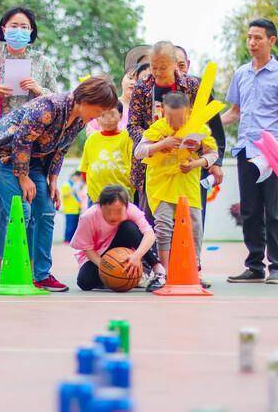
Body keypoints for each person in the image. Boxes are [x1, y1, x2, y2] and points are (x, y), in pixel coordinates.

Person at [0, 75, 120, 292]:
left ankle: (41, 275)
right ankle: (12, 271)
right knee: (22, 211)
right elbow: (22, 139)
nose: (98, 116)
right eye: (99, 110)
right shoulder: (50, 106)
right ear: (87, 100)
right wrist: (23, 177)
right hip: (5, 158)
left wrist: (53, 180)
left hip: (35, 163)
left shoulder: (80, 121)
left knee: (46, 211)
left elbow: (61, 149)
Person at [0, 7, 57, 290]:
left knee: (36, 209)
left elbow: (59, 101)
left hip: (34, 146)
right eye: (13, 25)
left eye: (24, 26)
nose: (19, 30)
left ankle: (31, 268)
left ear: (32, 32)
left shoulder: (43, 63)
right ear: (3, 30)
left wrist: (39, 89)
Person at [220, 19, 278, 285]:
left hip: (271, 152)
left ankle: (277, 267)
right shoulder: (241, 73)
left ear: (271, 40)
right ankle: (254, 266)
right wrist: (202, 124)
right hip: (245, 150)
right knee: (250, 211)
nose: (252, 43)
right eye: (249, 38)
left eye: (258, 38)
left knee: (275, 210)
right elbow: (234, 113)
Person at [127, 42, 225, 251]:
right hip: (152, 168)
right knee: (155, 222)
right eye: (154, 66)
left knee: (191, 220)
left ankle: (191, 271)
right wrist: (156, 142)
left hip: (187, 168)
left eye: (163, 67)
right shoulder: (142, 88)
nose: (158, 72)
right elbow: (132, 125)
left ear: (175, 64)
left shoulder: (193, 86)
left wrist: (216, 162)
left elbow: (213, 125)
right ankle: (158, 271)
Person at [135, 92, 218, 277]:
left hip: (188, 185)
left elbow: (213, 154)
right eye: (171, 118)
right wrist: (162, 144)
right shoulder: (158, 127)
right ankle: (163, 271)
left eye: (180, 118)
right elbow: (139, 152)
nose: (176, 123)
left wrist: (195, 164)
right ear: (163, 111)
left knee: (194, 226)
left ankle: (194, 269)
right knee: (163, 225)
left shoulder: (198, 128)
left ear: (188, 112)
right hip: (161, 185)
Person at [71, 185, 162, 292]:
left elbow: (149, 234)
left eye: (119, 211)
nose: (113, 216)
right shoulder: (88, 217)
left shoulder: (131, 210)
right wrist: (106, 267)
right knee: (84, 282)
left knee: (129, 227)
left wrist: (137, 256)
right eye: (108, 211)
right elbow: (87, 249)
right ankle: (114, 280)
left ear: (126, 206)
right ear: (100, 206)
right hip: (98, 254)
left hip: (121, 246)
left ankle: (159, 271)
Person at [80, 102, 133, 209]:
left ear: (121, 116)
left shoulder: (127, 138)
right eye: (103, 115)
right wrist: (91, 191)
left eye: (112, 114)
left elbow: (135, 166)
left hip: (122, 197)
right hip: (96, 198)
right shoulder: (92, 139)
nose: (107, 119)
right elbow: (85, 168)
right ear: (97, 117)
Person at [60, 171, 85, 242]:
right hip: (70, 209)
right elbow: (65, 195)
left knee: (74, 226)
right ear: (75, 176)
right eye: (79, 178)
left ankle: (71, 241)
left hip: (75, 209)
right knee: (70, 226)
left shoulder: (72, 185)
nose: (79, 180)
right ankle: (67, 241)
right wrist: (72, 189)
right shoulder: (66, 185)